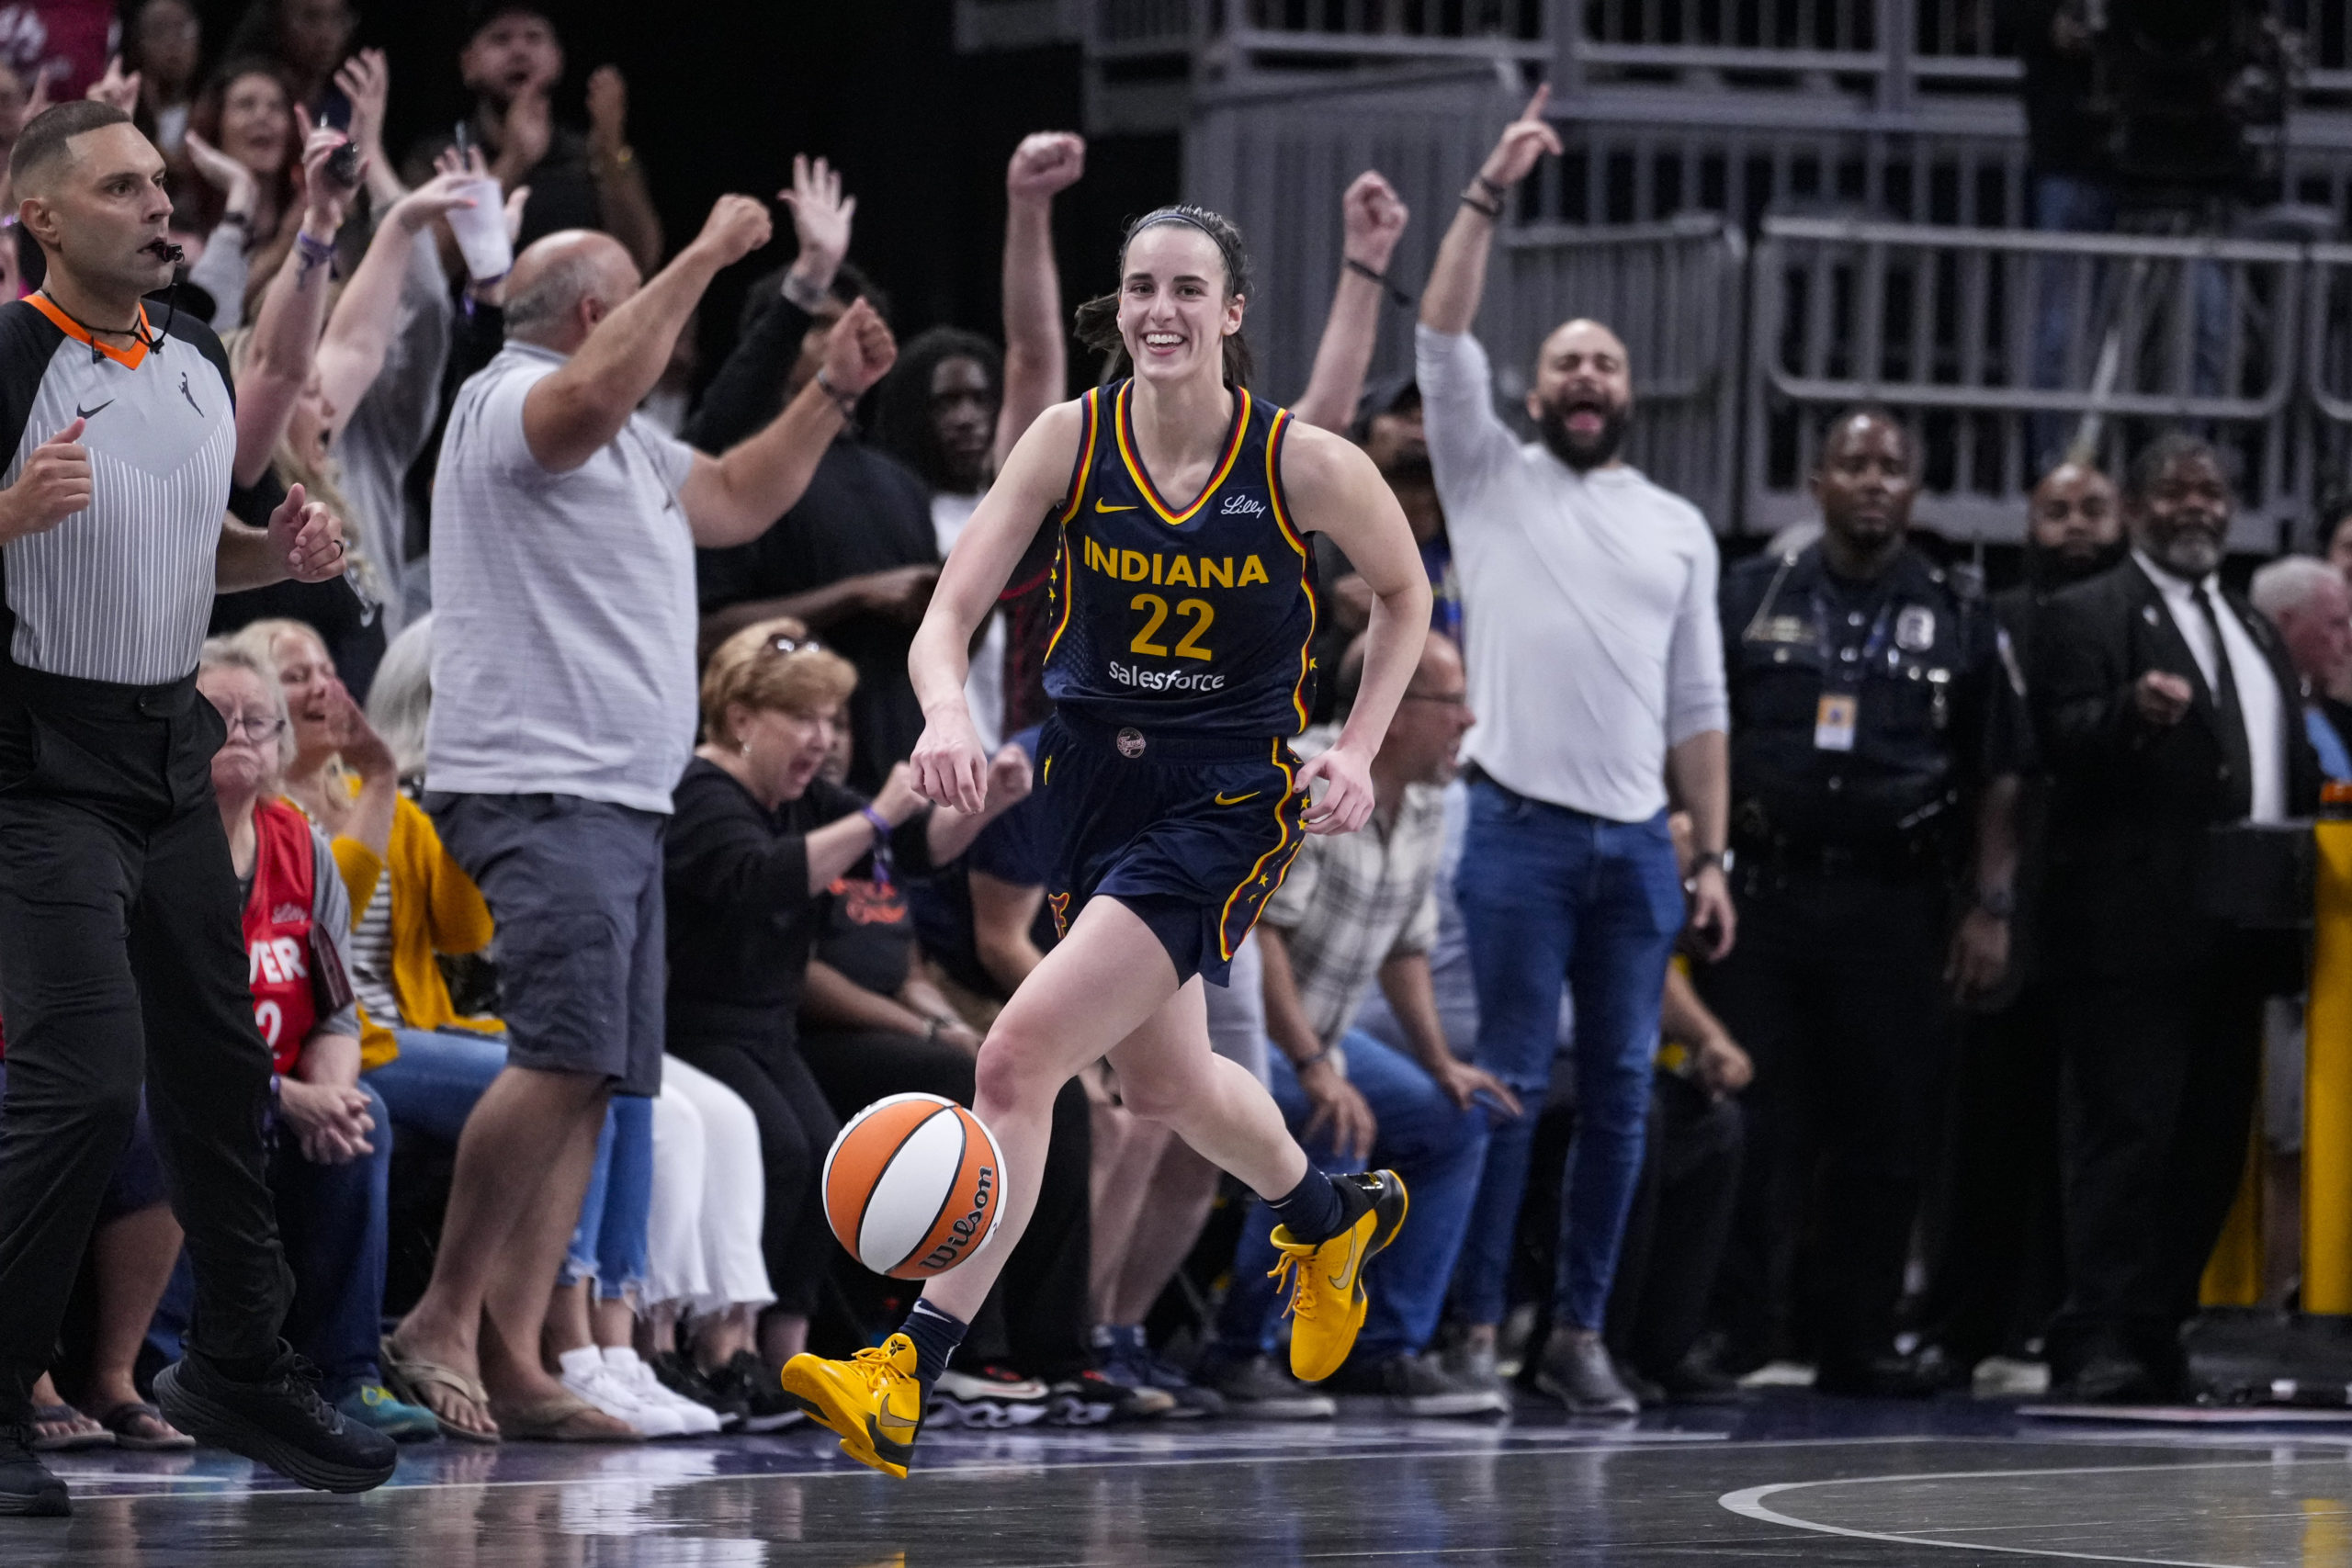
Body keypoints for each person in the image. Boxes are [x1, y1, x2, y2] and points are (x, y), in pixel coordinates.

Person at [779, 198, 1431, 1480]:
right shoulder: (1070, 439)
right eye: (1141, 287)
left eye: (1189, 289)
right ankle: (1329, 1213)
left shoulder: (1300, 461)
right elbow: (946, 610)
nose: (1161, 310)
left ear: (1232, 313)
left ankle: (906, 1365)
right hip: (1091, 785)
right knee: (1173, 1088)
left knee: (1017, 1056)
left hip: (1222, 800)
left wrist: (1353, 746)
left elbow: (1406, 594)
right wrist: (952, 707)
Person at [380, 195, 897, 1443]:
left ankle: (524, 1350)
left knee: (596, 1074)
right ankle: (440, 1316)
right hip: (543, 781)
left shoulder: (634, 444)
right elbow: (584, 404)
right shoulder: (510, 400)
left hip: (619, 792)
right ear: (606, 313)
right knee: (558, 1052)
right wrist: (712, 252)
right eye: (651, 297)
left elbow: (732, 495)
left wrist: (825, 393)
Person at [0, 99, 389, 1516]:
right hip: (37, 756)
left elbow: (192, 550)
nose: (160, 205)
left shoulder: (191, 361)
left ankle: (238, 1360)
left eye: (164, 183)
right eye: (121, 187)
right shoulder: (11, 357)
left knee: (222, 1071)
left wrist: (266, 552)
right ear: (42, 220)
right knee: (88, 1081)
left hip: (168, 739)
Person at [1414, 85, 1734, 1416]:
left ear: (1629, 391)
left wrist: (1710, 851)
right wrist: (1489, 187)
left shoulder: (1676, 524)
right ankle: (1472, 1326)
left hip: (1637, 844)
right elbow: (1438, 329)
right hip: (1516, 830)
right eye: (1566, 364)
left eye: (1605, 363)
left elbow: (1699, 703)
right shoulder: (1489, 476)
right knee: (1507, 1085)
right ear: (1535, 391)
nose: (1586, 378)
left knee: (1620, 1097)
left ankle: (1577, 1328)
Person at [1702, 409, 2027, 1395]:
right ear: (1818, 482)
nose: (1873, 480)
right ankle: (1739, 1333)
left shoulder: (1959, 607)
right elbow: (1699, 728)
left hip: (1897, 905)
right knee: (1755, 1119)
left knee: (1885, 1131)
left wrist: (1990, 906)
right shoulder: (1751, 594)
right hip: (1765, 893)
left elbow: (2001, 773)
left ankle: (1857, 1336)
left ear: (1914, 488)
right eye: (1854, 464)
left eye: (1892, 464)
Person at [2031, 432, 2321, 1402]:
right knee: (2124, 1142)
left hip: (2235, 938)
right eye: (2174, 491)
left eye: (2210, 492)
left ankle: (2157, 1325)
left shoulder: (2251, 623)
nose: (2195, 506)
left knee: (2208, 1148)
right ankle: (2092, 1334)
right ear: (2137, 506)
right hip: (2127, 937)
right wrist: (2127, 714)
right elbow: (2056, 746)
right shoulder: (2085, 612)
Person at [1202, 631, 1516, 1418]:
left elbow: (1406, 946)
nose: (1469, 720)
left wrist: (1442, 1061)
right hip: (1234, 1042)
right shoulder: (1313, 780)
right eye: (1452, 702)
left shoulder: (1428, 800)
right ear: (1396, 709)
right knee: (1331, 1122)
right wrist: (1313, 1065)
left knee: (1455, 1121)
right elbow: (1260, 936)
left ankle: (1381, 1350)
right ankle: (1241, 1350)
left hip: (1323, 1040)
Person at [187, 639, 438, 1441]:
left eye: (257, 722)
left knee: (364, 1120)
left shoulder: (301, 845)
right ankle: (178, 1374)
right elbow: (154, 1022)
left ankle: (348, 1375)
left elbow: (334, 1005)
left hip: (286, 1076)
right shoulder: (153, 845)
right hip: (181, 1077)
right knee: (190, 1124)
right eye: (216, 718)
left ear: (282, 745)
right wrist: (281, 1094)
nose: (239, 735)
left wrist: (329, 1092)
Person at [1912, 457, 2122, 1382]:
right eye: (2055, 511)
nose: (2074, 525)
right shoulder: (1989, 622)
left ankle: (2051, 1325)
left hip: (2101, 923)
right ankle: (1960, 1326)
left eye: (2091, 510)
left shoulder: (2140, 626)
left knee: (2077, 1140)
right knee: (1979, 1131)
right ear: (2026, 525)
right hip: (2003, 908)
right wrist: (1982, 903)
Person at [692, 162, 937, 794]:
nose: (847, 333)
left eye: (856, 318)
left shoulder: (900, 483)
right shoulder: (734, 469)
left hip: (902, 778)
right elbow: (704, 633)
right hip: (782, 788)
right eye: (820, 323)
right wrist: (853, 594)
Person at [872, 132, 1085, 753]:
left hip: (1020, 761)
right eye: (945, 403)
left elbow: (1035, 352)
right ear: (912, 413)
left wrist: (1029, 207)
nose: (967, 417)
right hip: (921, 762)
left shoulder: (1011, 495)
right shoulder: (892, 509)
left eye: (978, 400)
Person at [401, 4, 661, 275]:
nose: (519, 51)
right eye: (500, 39)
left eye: (534, 37)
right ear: (469, 64)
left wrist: (610, 148)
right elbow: (425, 270)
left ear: (558, 58)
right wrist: (514, 161)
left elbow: (641, 258)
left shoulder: (587, 154)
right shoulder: (439, 157)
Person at [2250, 556, 2352, 783]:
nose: (2349, 641)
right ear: (2285, 622)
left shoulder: (2335, 714)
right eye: (2336, 624)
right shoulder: (2255, 715)